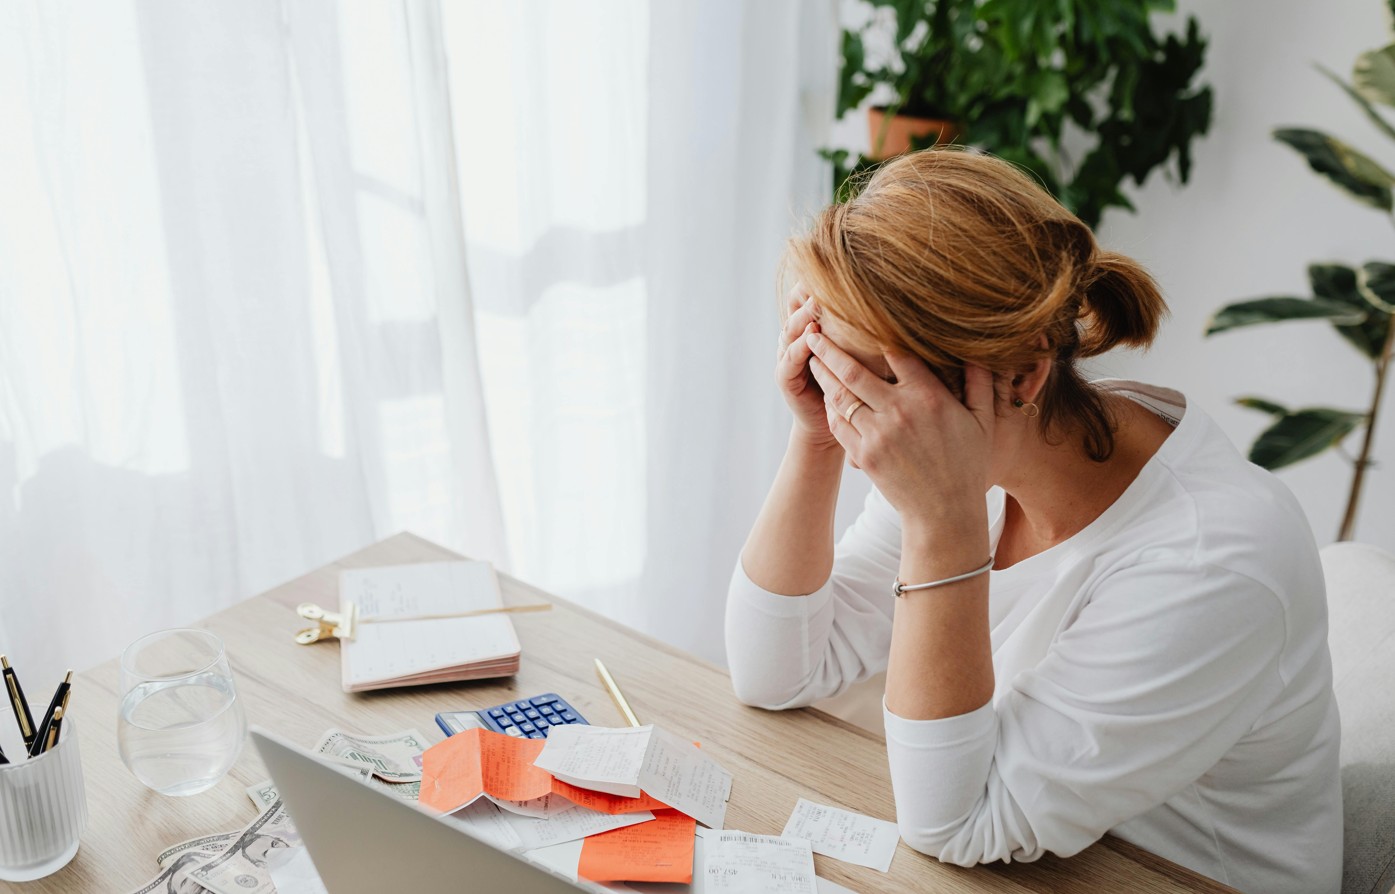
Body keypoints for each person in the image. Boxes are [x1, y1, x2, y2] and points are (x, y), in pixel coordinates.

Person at [725, 148, 1342, 894]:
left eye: (867, 386)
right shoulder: (977, 439)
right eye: (828, 371)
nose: (860, 422)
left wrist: (941, 524)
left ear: (1019, 376)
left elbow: (954, 824)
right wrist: (815, 436)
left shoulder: (1212, 560)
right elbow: (775, 672)